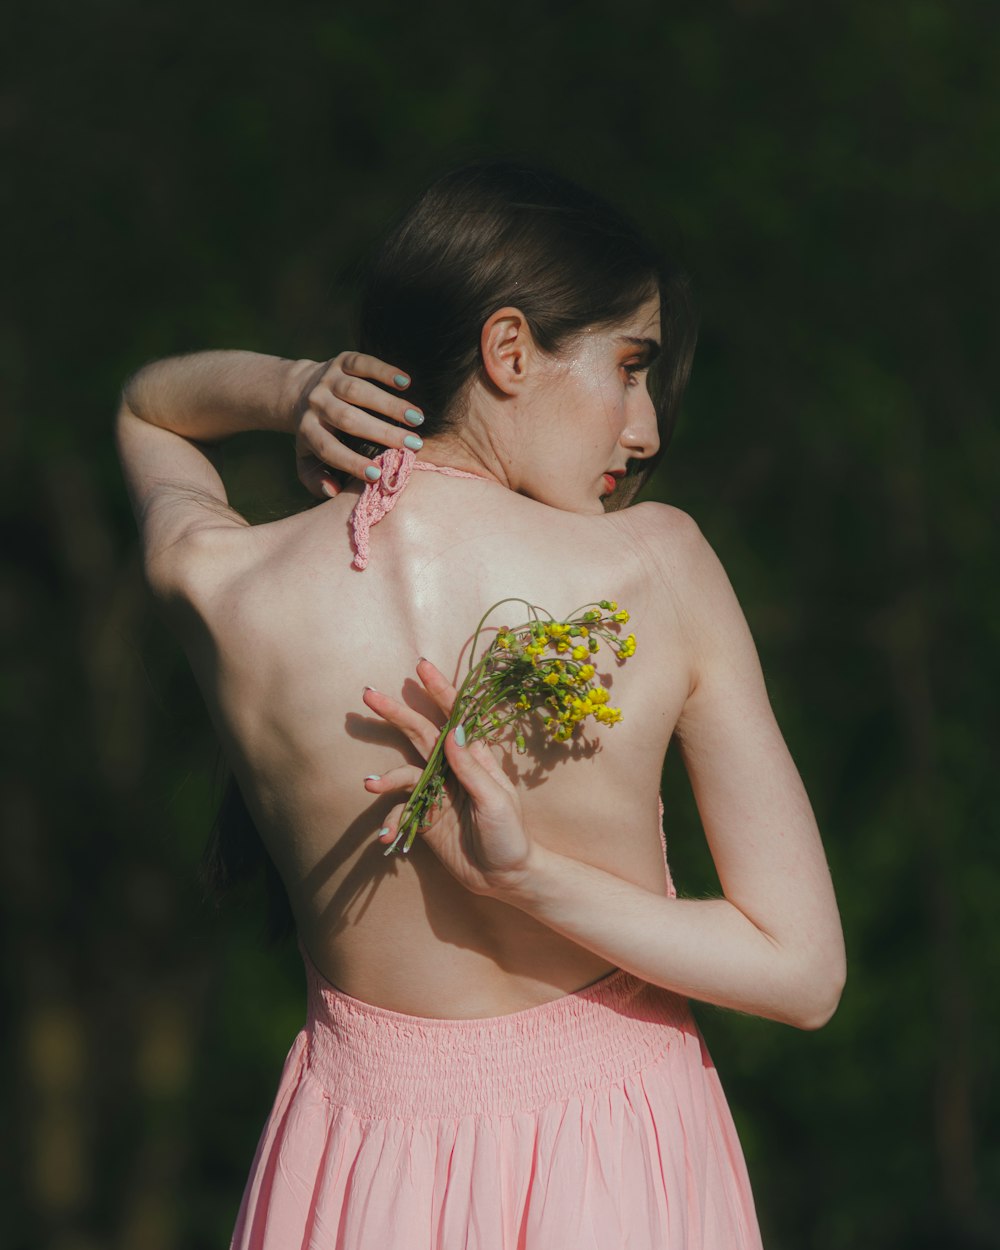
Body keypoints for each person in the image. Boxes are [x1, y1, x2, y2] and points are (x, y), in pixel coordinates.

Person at [115, 159, 845, 1249]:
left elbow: (148, 411)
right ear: (508, 350)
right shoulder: (656, 567)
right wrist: (530, 877)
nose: (644, 429)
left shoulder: (229, 587)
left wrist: (293, 388)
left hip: (359, 1178)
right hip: (619, 1161)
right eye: (629, 366)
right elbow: (801, 971)